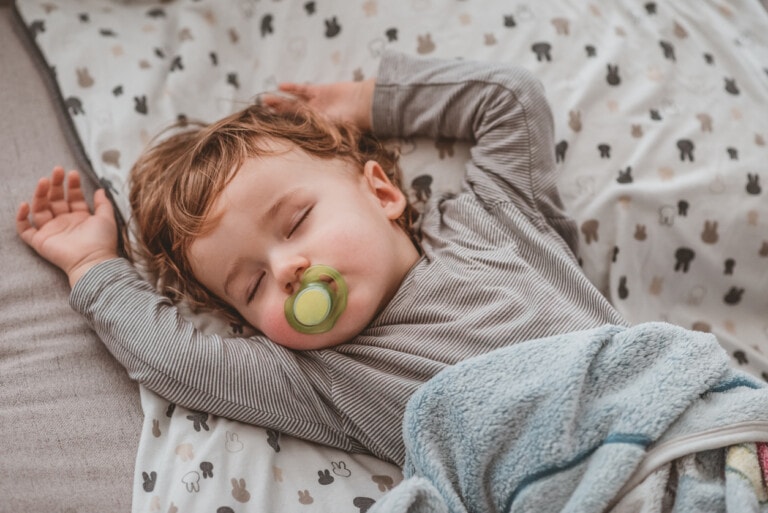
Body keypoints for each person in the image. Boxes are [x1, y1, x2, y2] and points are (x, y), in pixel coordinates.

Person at [15, 50, 626, 466]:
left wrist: (369, 102)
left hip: (678, 413)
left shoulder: (492, 221)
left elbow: (510, 101)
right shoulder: (323, 379)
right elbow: (174, 359)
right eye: (251, 286)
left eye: (297, 221)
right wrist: (91, 265)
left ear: (383, 192)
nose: (286, 270)